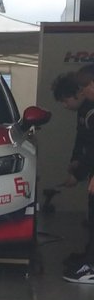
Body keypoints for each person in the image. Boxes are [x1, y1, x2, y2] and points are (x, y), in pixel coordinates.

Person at [51, 66, 94, 284]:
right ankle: (90, 257)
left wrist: (79, 174)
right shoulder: (85, 112)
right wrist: (76, 161)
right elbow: (83, 139)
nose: (84, 90)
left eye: (86, 86)